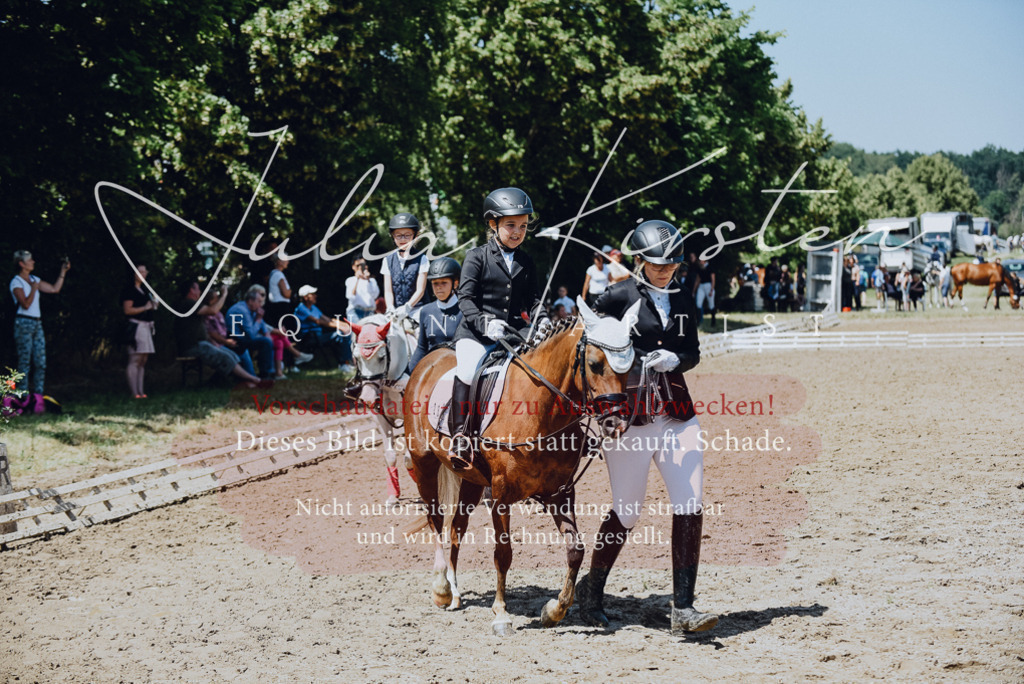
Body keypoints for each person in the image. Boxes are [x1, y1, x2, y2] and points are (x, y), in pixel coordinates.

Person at [576, 219, 717, 635]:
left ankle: (684, 608)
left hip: (676, 411)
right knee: (628, 509)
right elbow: (590, 346)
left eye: (671, 263)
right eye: (657, 264)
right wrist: (632, 359)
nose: (664, 270)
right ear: (639, 261)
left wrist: (677, 360)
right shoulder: (616, 295)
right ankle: (592, 590)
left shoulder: (684, 295)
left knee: (690, 502)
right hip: (631, 417)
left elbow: (691, 351)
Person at [449, 187, 548, 473]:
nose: (517, 232)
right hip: (476, 334)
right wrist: (483, 323)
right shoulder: (476, 257)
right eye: (511, 225)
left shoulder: (526, 261)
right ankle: (461, 437)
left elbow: (535, 299)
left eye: (523, 226)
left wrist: (540, 319)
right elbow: (464, 298)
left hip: (512, 334)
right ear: (493, 224)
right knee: (467, 371)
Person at [174, 281, 270, 389]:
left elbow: (203, 330)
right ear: (191, 290)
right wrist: (224, 295)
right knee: (226, 356)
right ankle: (255, 380)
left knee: (233, 355)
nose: (200, 291)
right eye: (197, 289)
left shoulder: (192, 305)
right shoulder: (188, 303)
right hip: (192, 346)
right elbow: (213, 311)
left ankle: (240, 381)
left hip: (202, 344)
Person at [10, 250, 69, 395]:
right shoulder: (16, 282)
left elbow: (54, 289)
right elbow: (25, 304)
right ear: (22, 264)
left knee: (40, 362)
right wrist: (33, 289)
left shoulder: (35, 279)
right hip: (23, 323)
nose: (33, 262)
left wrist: (63, 272)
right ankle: (22, 395)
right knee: (25, 361)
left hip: (37, 323)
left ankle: (38, 396)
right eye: (29, 260)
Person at [409, 257, 463, 371]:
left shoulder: (465, 310)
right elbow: (422, 347)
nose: (439, 287)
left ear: (455, 283)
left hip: (457, 367)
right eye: (435, 283)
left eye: (444, 283)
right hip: (431, 367)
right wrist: (410, 374)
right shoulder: (426, 311)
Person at [294, 285, 355, 376]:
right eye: (313, 294)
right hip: (309, 338)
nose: (316, 296)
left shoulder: (314, 307)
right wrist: (340, 327)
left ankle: (345, 363)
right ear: (306, 297)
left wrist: (345, 325)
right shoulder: (301, 308)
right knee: (340, 335)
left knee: (343, 334)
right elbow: (318, 321)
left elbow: (327, 319)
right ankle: (345, 363)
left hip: (318, 336)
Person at [381, 213, 429, 325]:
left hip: (417, 309)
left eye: (407, 235)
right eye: (398, 235)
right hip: (396, 311)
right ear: (393, 236)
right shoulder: (387, 260)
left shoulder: (422, 259)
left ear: (415, 236)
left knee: (420, 335)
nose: (403, 239)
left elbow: (420, 290)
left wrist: (407, 307)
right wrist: (390, 308)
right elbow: (388, 291)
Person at [121, 264, 158, 398]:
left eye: (144, 271)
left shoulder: (144, 290)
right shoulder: (129, 290)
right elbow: (127, 310)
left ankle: (141, 392)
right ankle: (134, 392)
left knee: (143, 360)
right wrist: (145, 307)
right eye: (140, 271)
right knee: (135, 359)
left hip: (147, 326)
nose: (143, 274)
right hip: (136, 327)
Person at [226, 285, 276, 379]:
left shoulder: (253, 309)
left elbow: (263, 326)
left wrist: (266, 333)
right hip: (236, 342)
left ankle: (269, 373)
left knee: (267, 341)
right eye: (259, 302)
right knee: (265, 342)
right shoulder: (241, 311)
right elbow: (251, 335)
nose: (261, 305)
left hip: (244, 340)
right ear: (250, 301)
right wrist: (258, 319)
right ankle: (266, 374)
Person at [345, 256, 380, 322]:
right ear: (353, 267)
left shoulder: (372, 281)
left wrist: (368, 279)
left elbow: (375, 295)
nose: (360, 267)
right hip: (355, 312)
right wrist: (357, 279)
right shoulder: (350, 280)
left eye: (363, 265)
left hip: (370, 312)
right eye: (358, 265)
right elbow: (350, 296)